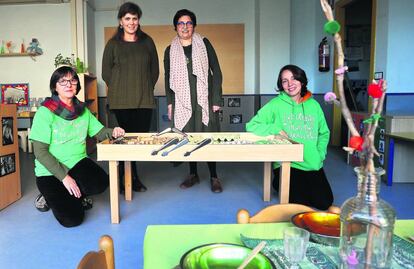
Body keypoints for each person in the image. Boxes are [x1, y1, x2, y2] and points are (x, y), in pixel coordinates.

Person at [29, 66, 125, 227]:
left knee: (100, 182)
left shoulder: (82, 110)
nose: (68, 84)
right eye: (62, 81)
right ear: (55, 87)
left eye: (72, 80)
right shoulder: (45, 112)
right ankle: (47, 196)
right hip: (50, 171)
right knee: (72, 220)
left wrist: (113, 131)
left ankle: (74, 193)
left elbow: (99, 132)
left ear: (77, 85)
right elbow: (40, 152)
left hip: (77, 162)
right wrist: (65, 178)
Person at [246, 64, 333, 210]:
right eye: (285, 81)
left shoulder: (314, 105)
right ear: (281, 85)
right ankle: (278, 181)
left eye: (294, 79)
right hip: (288, 164)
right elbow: (251, 126)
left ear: (302, 81)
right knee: (299, 205)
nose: (290, 84)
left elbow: (323, 133)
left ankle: (278, 184)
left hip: (312, 163)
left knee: (324, 202)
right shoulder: (275, 104)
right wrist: (276, 129)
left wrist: (320, 154)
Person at [164, 9, 223, 193]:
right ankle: (193, 174)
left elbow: (217, 71)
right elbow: (168, 78)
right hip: (182, 101)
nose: (185, 27)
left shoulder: (204, 43)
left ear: (194, 26)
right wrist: (170, 103)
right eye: (181, 23)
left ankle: (214, 176)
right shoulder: (170, 50)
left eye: (189, 23)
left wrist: (215, 99)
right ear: (175, 27)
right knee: (187, 138)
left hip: (204, 100)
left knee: (208, 137)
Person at [102, 2, 159, 192]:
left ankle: (130, 177)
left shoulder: (147, 42)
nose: (131, 22)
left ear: (138, 20)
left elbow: (154, 71)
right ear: (120, 21)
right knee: (122, 141)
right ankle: (126, 179)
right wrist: (120, 88)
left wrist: (143, 87)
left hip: (143, 100)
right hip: (120, 102)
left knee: (136, 142)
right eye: (127, 18)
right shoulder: (112, 45)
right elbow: (106, 73)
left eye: (134, 18)